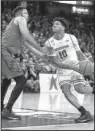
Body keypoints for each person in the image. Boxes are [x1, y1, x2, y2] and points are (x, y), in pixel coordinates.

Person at [1, 6, 49, 120]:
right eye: (25, 13)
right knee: (21, 80)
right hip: (4, 52)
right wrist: (41, 48)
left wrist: (43, 56)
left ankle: (2, 108)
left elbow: (28, 47)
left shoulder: (18, 31)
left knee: (6, 81)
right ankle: (7, 110)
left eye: (27, 13)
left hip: (4, 53)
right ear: (19, 14)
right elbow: (28, 37)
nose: (27, 15)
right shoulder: (19, 19)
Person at [44, 17, 94, 123]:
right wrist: (72, 67)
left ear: (63, 28)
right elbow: (55, 62)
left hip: (76, 66)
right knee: (66, 92)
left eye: (57, 24)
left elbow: (79, 53)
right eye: (53, 24)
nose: (54, 25)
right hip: (63, 70)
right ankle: (85, 113)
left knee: (80, 90)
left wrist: (89, 63)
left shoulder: (71, 37)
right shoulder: (49, 43)